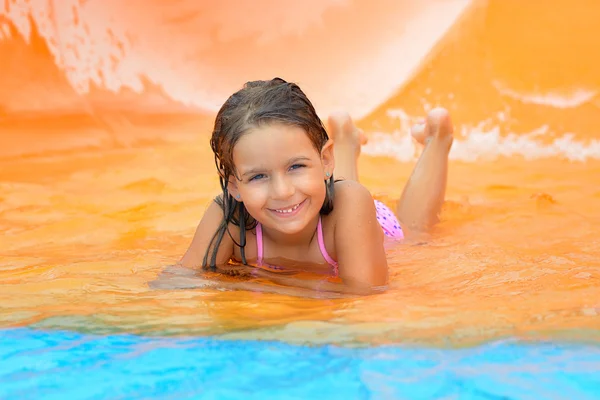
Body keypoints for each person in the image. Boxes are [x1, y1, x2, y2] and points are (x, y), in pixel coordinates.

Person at [155, 77, 453, 296]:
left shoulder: (351, 203)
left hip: (371, 226)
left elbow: (365, 293)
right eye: (258, 176)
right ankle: (346, 140)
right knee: (318, 190)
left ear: (326, 160)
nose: (282, 191)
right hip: (326, 201)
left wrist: (253, 279)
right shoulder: (228, 215)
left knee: (415, 231)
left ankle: (437, 140)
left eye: (296, 166)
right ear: (234, 185)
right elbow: (178, 281)